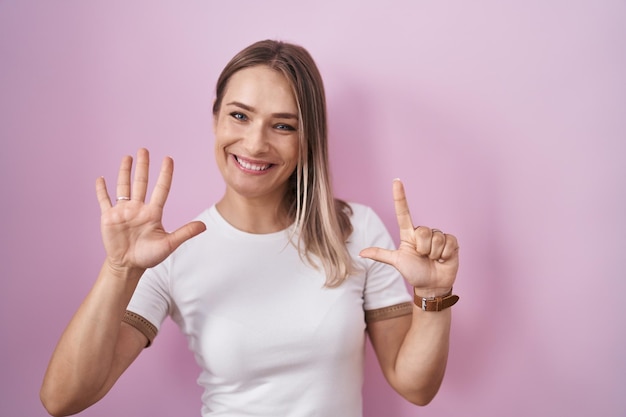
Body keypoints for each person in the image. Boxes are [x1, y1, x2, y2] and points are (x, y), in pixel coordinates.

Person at [40, 39, 460, 417]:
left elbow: (415, 387)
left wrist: (434, 295)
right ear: (216, 119)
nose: (256, 143)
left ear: (307, 139)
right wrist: (118, 269)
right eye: (240, 116)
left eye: (283, 125)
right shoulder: (169, 251)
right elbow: (63, 399)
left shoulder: (356, 230)